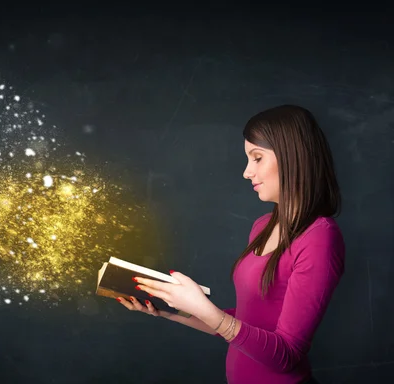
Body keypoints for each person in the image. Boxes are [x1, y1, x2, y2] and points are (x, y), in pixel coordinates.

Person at [117, 105, 345, 384]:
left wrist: (206, 310)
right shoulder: (263, 225)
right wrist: (168, 308)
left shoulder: (320, 237)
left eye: (257, 158)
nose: (247, 172)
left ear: (292, 157)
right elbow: (248, 323)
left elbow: (286, 355)